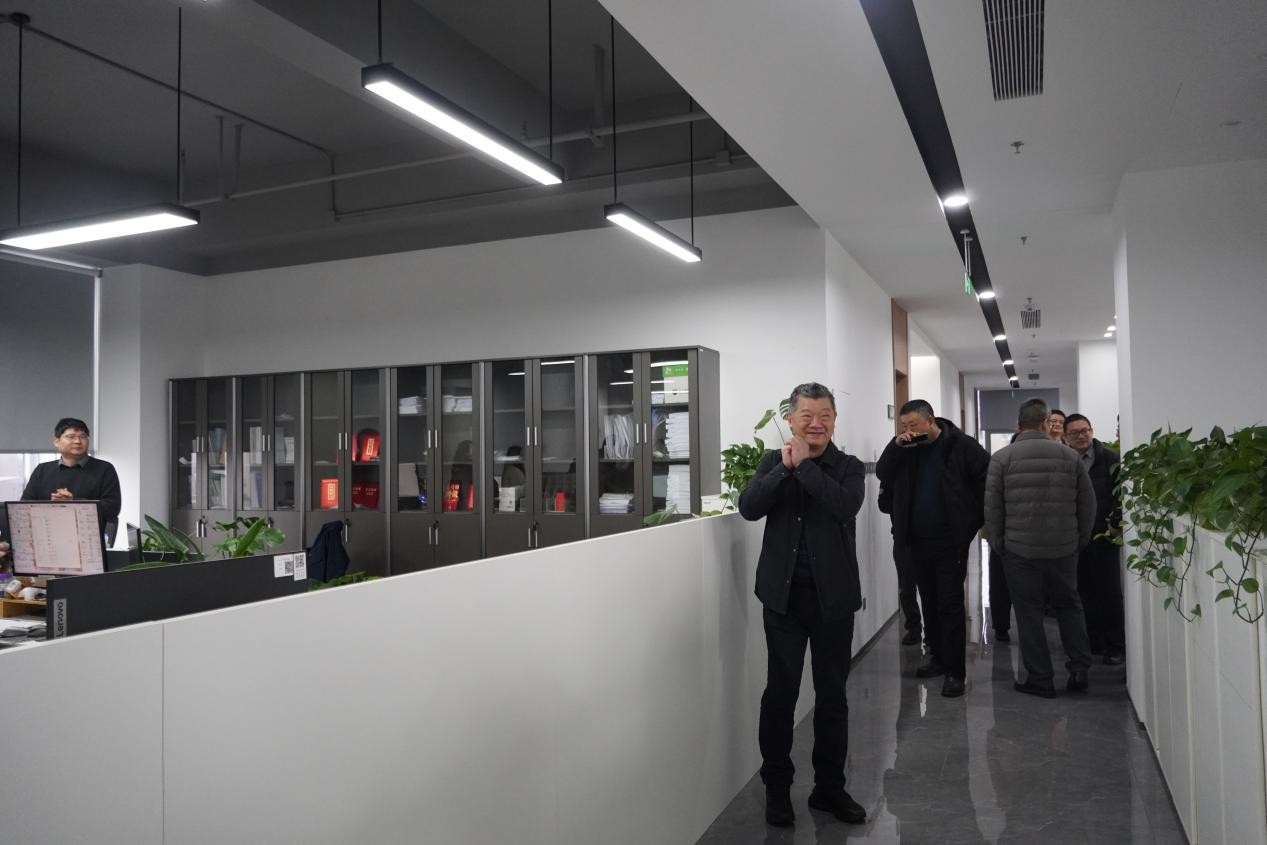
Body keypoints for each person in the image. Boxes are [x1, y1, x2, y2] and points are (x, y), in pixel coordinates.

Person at [738, 382, 867, 828]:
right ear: (790, 419)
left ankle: (829, 788)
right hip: (783, 601)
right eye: (807, 415)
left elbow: (844, 506)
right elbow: (749, 507)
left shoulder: (848, 467)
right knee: (780, 694)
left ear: (834, 421)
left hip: (834, 602)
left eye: (825, 415)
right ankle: (777, 787)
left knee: (832, 696)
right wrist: (784, 469)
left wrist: (806, 467)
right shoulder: (772, 462)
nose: (816, 423)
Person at [876, 399, 989, 698]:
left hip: (950, 541)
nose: (908, 430)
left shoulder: (961, 445)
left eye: (913, 424)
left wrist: (971, 521)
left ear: (930, 421)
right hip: (916, 541)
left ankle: (955, 672)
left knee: (950, 604)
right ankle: (937, 657)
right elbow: (883, 473)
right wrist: (896, 445)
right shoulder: (906, 448)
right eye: (903, 426)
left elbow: (986, 481)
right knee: (928, 601)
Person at [984, 399, 1095, 698]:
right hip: (1063, 547)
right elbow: (1087, 503)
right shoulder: (1069, 456)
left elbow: (992, 507)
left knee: (1028, 613)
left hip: (1020, 550)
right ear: (1046, 423)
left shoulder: (1002, 458)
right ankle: (1079, 668)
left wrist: (998, 542)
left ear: (1018, 425)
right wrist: (1080, 538)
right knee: (1069, 605)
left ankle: (1040, 678)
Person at [1064, 413, 1125, 665]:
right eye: (1075, 432)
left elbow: (1120, 496)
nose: (1082, 436)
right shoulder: (1063, 461)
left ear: (1092, 430)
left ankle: (1115, 646)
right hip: (1074, 539)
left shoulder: (1111, 459)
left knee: (1109, 593)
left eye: (1085, 430)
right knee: (1083, 593)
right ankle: (1093, 642)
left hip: (1104, 536)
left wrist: (1114, 524)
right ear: (1066, 437)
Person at [21, 418, 122, 538]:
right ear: (57, 442)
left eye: (83, 437)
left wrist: (74, 501)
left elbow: (112, 508)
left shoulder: (105, 469)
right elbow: (24, 506)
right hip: (47, 535)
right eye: (71, 437)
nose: (78, 441)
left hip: (89, 536)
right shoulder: (42, 470)